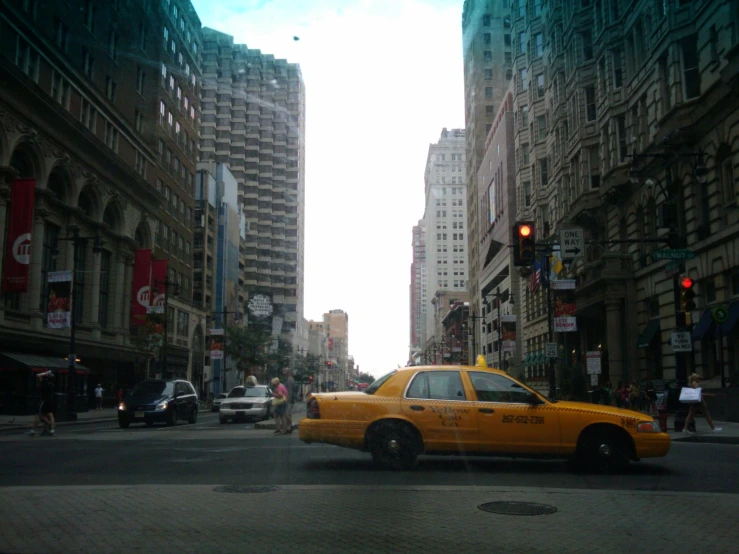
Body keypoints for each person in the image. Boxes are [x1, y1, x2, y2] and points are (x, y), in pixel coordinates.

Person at [27, 372, 55, 436]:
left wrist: (45, 373)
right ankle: (51, 429)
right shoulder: (52, 384)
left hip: (43, 401)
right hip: (50, 400)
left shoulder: (44, 383)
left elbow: (38, 375)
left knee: (38, 414)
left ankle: (34, 430)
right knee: (50, 414)